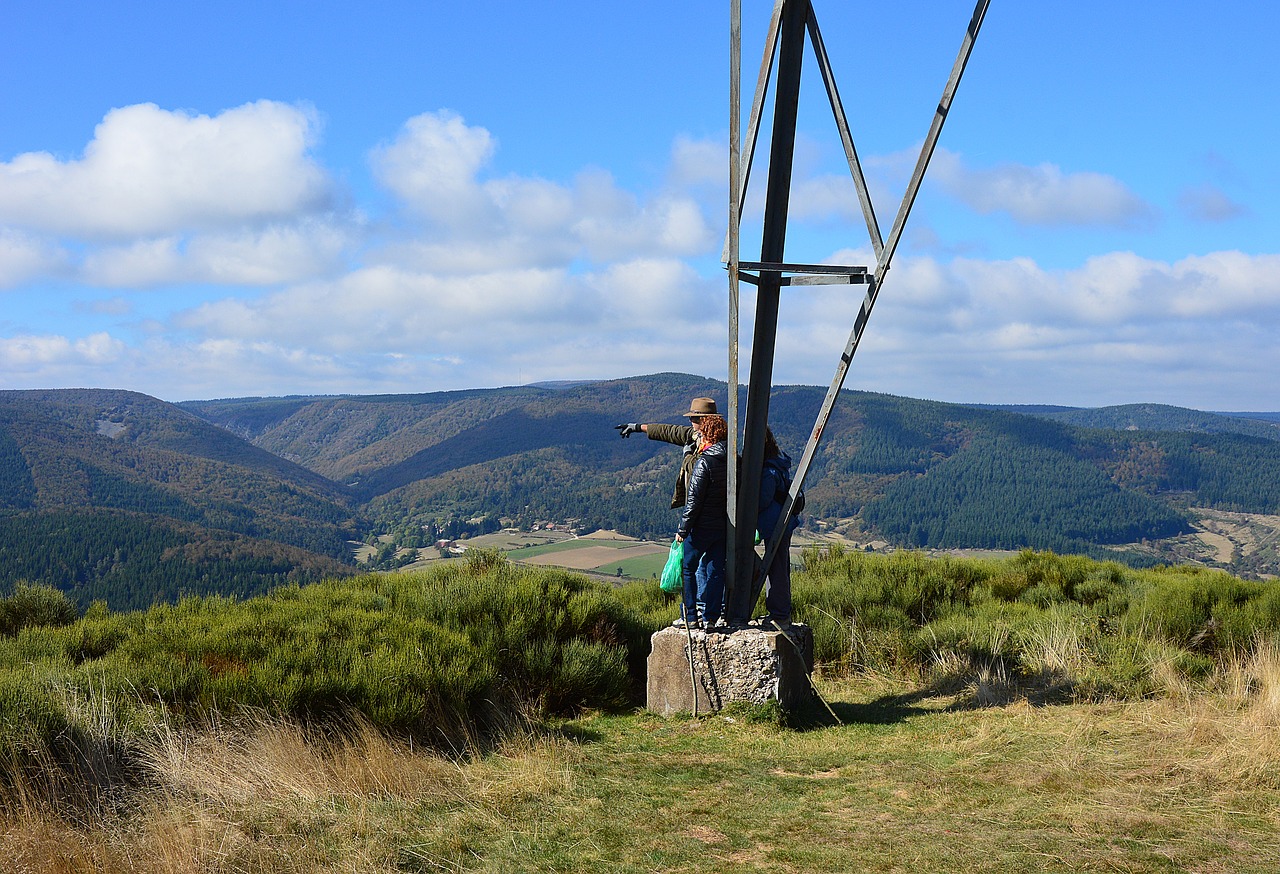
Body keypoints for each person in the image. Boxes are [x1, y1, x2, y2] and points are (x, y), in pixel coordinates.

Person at [674, 414, 729, 629]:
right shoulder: (735, 461)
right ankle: (711, 618)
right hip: (723, 527)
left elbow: (694, 501)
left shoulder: (704, 462)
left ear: (708, 436)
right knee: (716, 570)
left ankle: (690, 616)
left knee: (687, 567)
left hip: (701, 527)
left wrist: (683, 529)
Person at [615, 397, 718, 509]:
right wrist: (638, 427)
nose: (690, 421)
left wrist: (687, 456)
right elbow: (670, 431)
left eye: (693, 417)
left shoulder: (714, 444)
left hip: (705, 507)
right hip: (700, 505)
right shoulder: (699, 436)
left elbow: (700, 469)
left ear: (703, 420)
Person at [755, 428, 799, 626]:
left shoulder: (768, 471)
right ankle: (779, 611)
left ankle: (779, 614)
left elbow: (763, 500)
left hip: (774, 525)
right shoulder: (779, 464)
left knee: (776, 567)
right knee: (779, 566)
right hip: (783, 522)